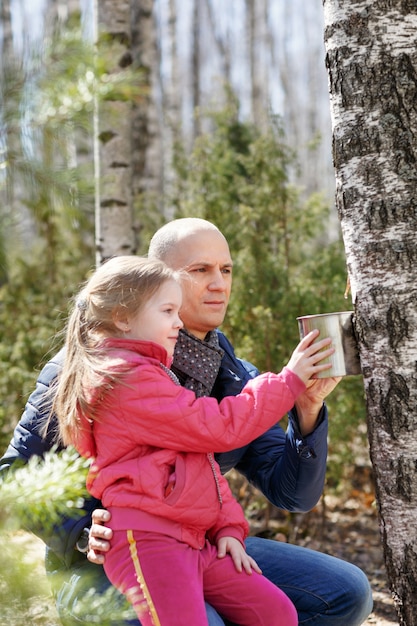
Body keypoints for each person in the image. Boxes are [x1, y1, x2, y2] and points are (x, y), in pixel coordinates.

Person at [0, 218, 373, 626]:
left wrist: (305, 409)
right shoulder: (90, 370)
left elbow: (291, 495)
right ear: (159, 279)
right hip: (107, 557)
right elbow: (13, 477)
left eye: (225, 270)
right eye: (200, 270)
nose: (219, 283)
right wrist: (81, 533)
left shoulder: (231, 376)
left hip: (198, 541)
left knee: (344, 593)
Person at [51, 254, 333, 625]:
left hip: (192, 536)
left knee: (275, 613)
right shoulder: (126, 379)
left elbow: (201, 462)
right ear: (122, 317)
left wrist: (229, 527)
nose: (178, 322)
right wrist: (288, 381)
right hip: (147, 540)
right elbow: (216, 428)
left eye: (227, 269)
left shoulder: (169, 372)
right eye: (168, 311)